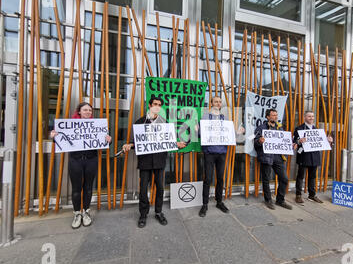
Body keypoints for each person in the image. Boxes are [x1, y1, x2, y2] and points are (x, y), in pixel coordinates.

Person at [122, 97, 186, 228]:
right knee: (143, 189)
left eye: (159, 105)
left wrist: (177, 143)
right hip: (145, 162)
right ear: (150, 105)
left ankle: (158, 212)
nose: (157, 106)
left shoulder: (164, 123)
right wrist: (129, 145)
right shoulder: (140, 122)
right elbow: (136, 142)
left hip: (159, 161)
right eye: (155, 104)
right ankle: (143, 215)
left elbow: (168, 141)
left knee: (160, 189)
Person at [50, 102, 112, 229]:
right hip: (75, 160)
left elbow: (103, 143)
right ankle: (77, 213)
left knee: (88, 187)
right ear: (79, 111)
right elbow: (61, 140)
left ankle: (86, 212)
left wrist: (108, 141)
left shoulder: (97, 126)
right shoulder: (69, 125)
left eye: (90, 110)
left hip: (91, 160)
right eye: (85, 110)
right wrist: (54, 137)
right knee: (76, 189)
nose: (88, 112)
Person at [253, 109, 292, 210]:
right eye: (273, 115)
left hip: (278, 157)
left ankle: (280, 200)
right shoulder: (260, 128)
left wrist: (290, 145)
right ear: (267, 117)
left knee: (284, 179)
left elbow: (283, 141)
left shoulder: (280, 128)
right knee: (266, 179)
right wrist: (259, 141)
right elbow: (254, 142)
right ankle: (268, 200)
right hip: (267, 157)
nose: (275, 117)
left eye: (276, 115)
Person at [198, 96, 231, 217]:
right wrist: (198, 130)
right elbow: (200, 134)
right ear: (211, 103)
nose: (218, 103)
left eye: (220, 102)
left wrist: (237, 133)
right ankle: (205, 204)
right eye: (216, 101)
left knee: (221, 178)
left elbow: (229, 134)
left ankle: (219, 201)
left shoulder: (225, 118)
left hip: (222, 152)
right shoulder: (205, 117)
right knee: (208, 179)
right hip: (209, 153)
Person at [293, 111, 333, 204]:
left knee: (312, 177)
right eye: (309, 116)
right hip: (304, 156)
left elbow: (322, 142)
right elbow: (294, 142)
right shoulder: (299, 128)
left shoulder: (317, 130)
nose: (311, 118)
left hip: (314, 156)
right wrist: (299, 141)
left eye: (312, 116)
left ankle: (312, 195)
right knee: (300, 176)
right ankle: (298, 195)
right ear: (304, 117)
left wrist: (328, 140)